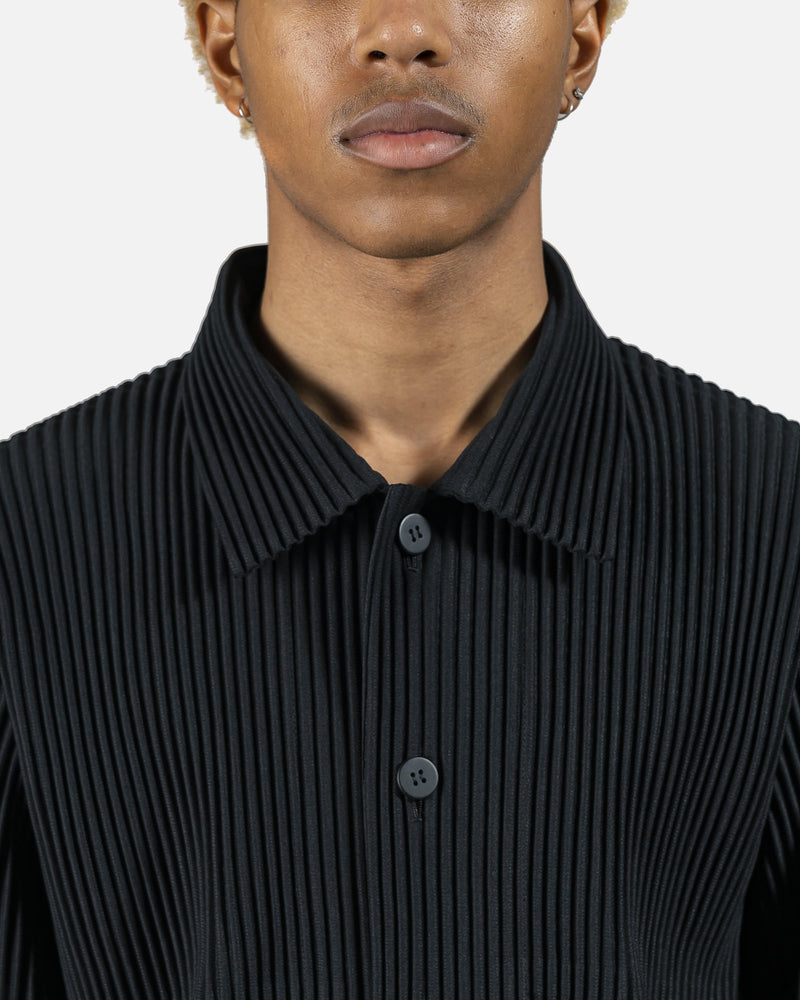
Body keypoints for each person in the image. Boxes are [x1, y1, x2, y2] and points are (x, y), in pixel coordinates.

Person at [0, 0, 798, 996]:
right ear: (223, 40)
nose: (404, 29)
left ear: (582, 32)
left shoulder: (776, 527)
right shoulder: (23, 545)